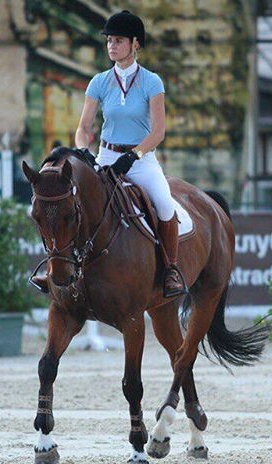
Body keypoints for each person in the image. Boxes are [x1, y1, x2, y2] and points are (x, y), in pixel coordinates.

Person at [32, 10, 186, 298]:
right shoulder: (99, 82)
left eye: (118, 41)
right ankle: (56, 267)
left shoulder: (152, 82)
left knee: (165, 205)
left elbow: (158, 132)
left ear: (135, 44)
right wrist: (84, 151)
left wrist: (134, 155)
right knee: (72, 204)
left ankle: (171, 270)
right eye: (109, 41)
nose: (111, 46)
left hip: (140, 160)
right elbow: (83, 128)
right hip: (105, 157)